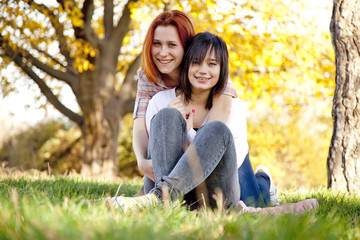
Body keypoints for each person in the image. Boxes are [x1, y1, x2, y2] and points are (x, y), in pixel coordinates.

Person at [105, 32, 318, 214]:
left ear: (221, 69)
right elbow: (158, 159)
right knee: (166, 116)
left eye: (212, 64)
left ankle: (263, 181)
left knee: (216, 129)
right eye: (196, 62)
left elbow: (229, 163)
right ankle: (166, 201)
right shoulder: (159, 102)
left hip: (220, 193)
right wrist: (177, 133)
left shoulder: (231, 107)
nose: (203, 70)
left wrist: (187, 137)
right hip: (181, 194)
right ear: (186, 65)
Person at [132, 10, 278, 207]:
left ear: (187, 48)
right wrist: (142, 161)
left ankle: (264, 181)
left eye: (172, 45)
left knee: (254, 200)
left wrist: (188, 129)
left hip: (222, 163)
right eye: (157, 44)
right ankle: (163, 200)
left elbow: (214, 137)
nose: (162, 53)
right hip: (180, 165)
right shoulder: (149, 79)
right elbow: (141, 124)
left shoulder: (213, 77)